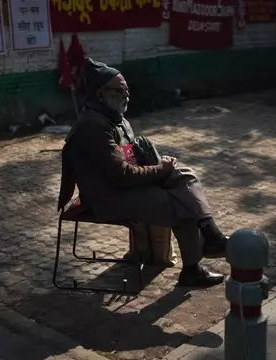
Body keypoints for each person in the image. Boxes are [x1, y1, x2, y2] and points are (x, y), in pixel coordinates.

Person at [61, 58, 227, 288]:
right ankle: (196, 263)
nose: (126, 95)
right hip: (108, 198)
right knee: (181, 202)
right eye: (119, 90)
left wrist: (158, 163)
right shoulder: (93, 126)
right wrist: (160, 170)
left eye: (127, 90)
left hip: (125, 187)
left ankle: (210, 235)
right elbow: (122, 175)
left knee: (184, 175)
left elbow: (131, 161)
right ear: (100, 94)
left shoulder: (115, 119)